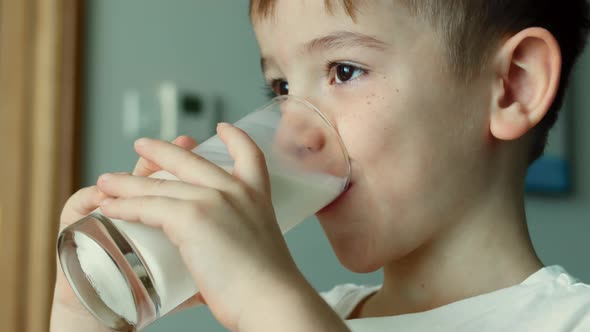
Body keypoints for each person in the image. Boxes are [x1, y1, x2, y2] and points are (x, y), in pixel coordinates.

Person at [50, 1, 590, 331]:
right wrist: (84, 315)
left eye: (345, 70)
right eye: (282, 87)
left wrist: (266, 298)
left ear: (514, 85)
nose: (290, 132)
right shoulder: (311, 313)